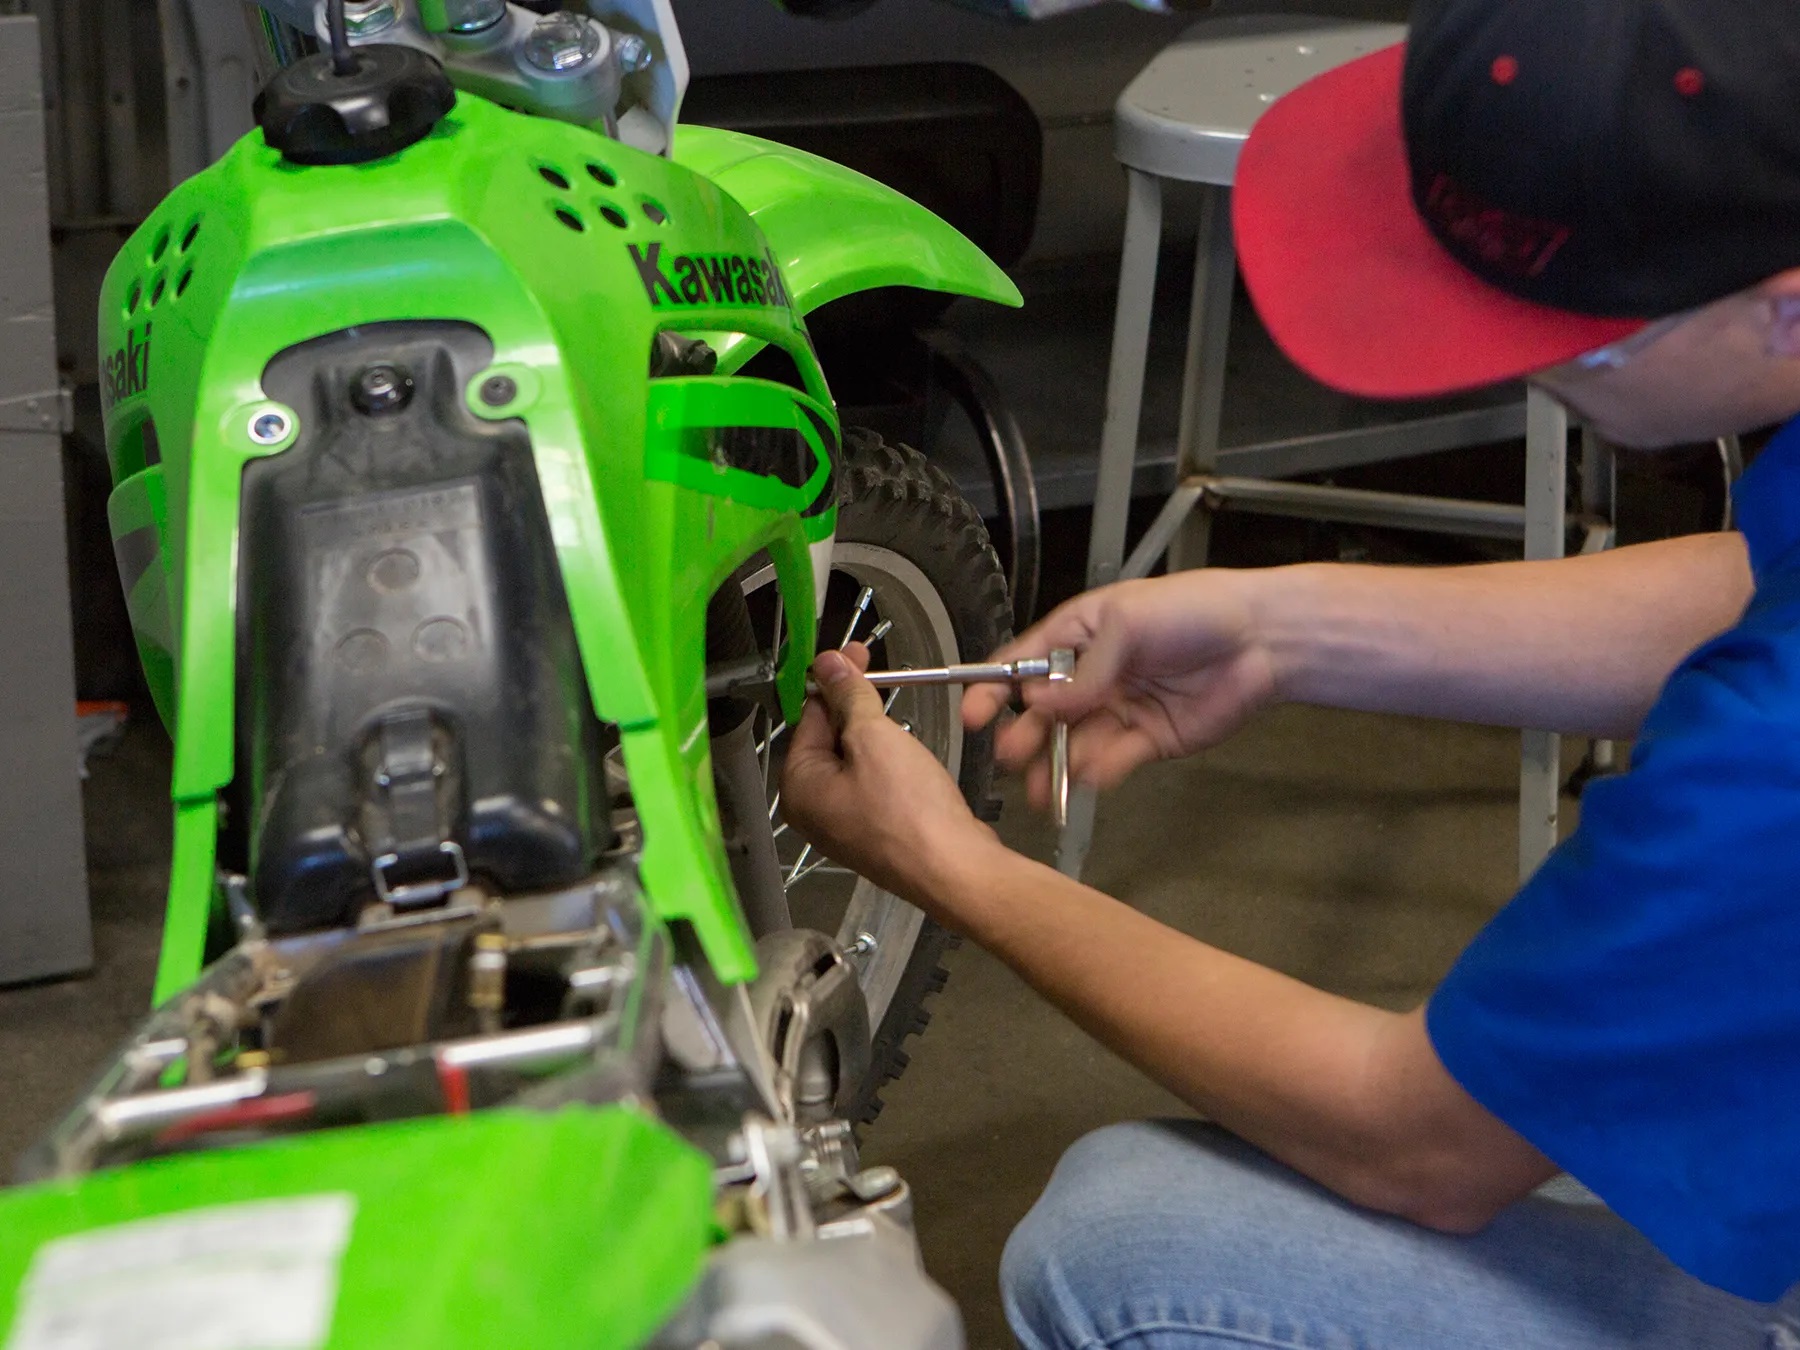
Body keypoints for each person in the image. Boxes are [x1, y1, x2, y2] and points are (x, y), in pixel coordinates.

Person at [782, 0, 1800, 1345]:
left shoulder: (1763, 762)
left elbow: (1413, 1142)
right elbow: (1755, 589)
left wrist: (958, 870)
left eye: (1563, 341)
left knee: (1124, 1246)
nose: (1535, 380)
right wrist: (1288, 626)